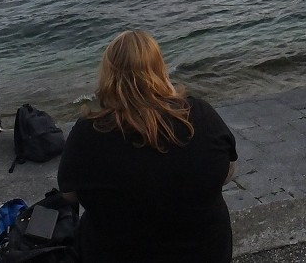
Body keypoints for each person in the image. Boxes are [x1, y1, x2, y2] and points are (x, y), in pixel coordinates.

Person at [58, 30, 238, 263]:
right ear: (159, 69)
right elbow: (227, 173)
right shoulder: (200, 114)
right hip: (205, 253)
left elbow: (69, 194)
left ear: (107, 74)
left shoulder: (88, 132)